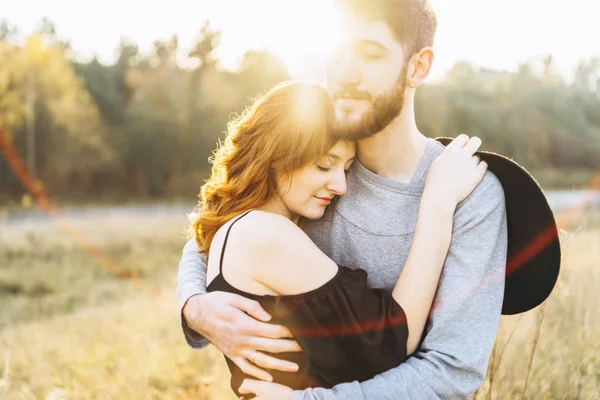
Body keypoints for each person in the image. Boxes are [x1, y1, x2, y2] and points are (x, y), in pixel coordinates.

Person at [178, 0, 508, 399]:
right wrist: (195, 307)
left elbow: (450, 372)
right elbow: (215, 232)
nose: (345, 73)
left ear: (418, 67)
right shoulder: (303, 175)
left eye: (370, 53)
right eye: (337, 53)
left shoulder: (466, 190)